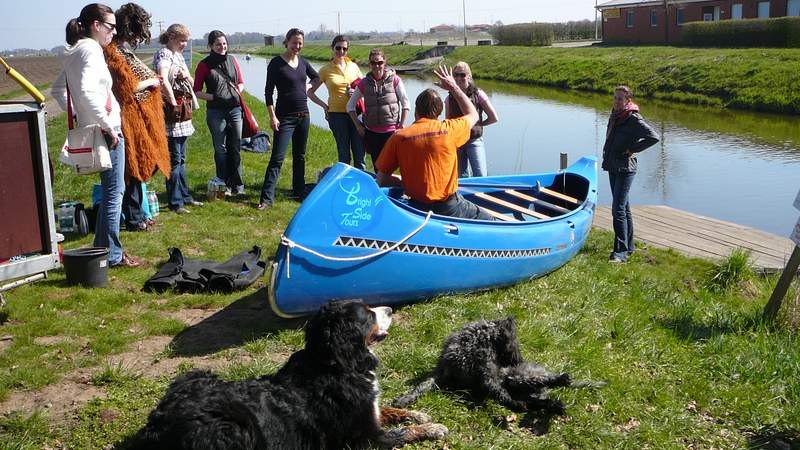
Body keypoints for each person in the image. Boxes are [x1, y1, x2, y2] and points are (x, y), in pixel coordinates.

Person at [52, 3, 140, 267]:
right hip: (107, 131)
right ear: (96, 26)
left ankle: (102, 250)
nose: (113, 32)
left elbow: (60, 90)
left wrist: (82, 116)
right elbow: (87, 92)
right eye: (111, 27)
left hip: (98, 128)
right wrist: (105, 125)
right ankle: (112, 255)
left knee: (112, 191)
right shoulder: (91, 50)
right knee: (115, 194)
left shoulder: (76, 50)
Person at [375, 65, 492, 221]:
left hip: (417, 206)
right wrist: (454, 88)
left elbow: (381, 180)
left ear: (416, 111)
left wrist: (407, 181)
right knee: (489, 219)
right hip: (449, 207)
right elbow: (473, 115)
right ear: (438, 112)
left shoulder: (399, 137)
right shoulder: (449, 130)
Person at [103, 2, 171, 231]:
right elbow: (126, 89)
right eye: (137, 32)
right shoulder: (113, 52)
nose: (138, 38)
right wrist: (152, 82)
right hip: (127, 118)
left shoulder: (122, 50)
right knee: (132, 168)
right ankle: (134, 218)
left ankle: (139, 213)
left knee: (141, 166)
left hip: (139, 117)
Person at [258, 28, 320, 209]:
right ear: (287, 42)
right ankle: (266, 199)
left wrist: (307, 86)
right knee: (277, 158)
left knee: (300, 156)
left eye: (300, 43)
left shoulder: (303, 62)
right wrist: (272, 117)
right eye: (294, 42)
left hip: (304, 116)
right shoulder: (276, 63)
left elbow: (316, 78)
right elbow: (268, 93)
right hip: (284, 118)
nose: (297, 46)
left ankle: (298, 191)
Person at [601, 85, 659, 263]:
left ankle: (620, 253)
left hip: (626, 168)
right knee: (623, 207)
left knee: (617, 209)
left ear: (628, 100)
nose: (617, 101)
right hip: (613, 165)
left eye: (620, 98)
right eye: (615, 97)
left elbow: (653, 137)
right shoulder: (616, 114)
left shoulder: (632, 117)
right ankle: (629, 246)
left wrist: (632, 149)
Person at [154, 23, 203, 214]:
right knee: (175, 160)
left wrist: (188, 78)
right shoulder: (164, 54)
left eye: (186, 40)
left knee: (181, 159)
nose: (184, 44)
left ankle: (185, 196)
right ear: (172, 38)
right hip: (172, 113)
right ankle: (176, 202)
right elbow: (163, 78)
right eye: (182, 40)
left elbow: (190, 80)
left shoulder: (178, 56)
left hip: (183, 113)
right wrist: (173, 102)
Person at [193, 30, 245, 197]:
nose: (222, 47)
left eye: (224, 44)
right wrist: (215, 97)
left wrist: (238, 91)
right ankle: (223, 182)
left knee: (235, 145)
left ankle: (237, 183)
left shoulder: (232, 60)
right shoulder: (204, 65)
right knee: (220, 148)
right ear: (210, 46)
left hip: (235, 109)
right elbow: (197, 91)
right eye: (218, 44)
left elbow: (241, 82)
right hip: (216, 111)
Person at [308, 35, 365, 170]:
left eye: (344, 48)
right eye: (338, 48)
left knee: (359, 153)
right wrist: (324, 106)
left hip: (356, 115)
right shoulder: (325, 69)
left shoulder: (354, 66)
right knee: (344, 154)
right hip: (337, 115)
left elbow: (365, 88)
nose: (341, 51)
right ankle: (344, 185)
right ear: (332, 48)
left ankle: (360, 186)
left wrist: (357, 94)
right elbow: (310, 91)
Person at [346, 48, 409, 169]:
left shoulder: (395, 80)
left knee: (392, 165)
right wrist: (358, 126)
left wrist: (401, 126)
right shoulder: (364, 83)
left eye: (380, 62)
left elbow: (406, 104)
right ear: (369, 64)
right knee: (377, 166)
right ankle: (379, 187)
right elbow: (350, 106)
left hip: (391, 132)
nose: (377, 66)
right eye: (373, 63)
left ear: (384, 62)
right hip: (372, 133)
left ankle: (391, 187)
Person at [444, 61, 499, 178]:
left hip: (474, 140)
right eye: (456, 75)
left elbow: (494, 117)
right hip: (458, 142)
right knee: (460, 177)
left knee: (480, 175)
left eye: (462, 75)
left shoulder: (478, 94)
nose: (459, 78)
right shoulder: (449, 98)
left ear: (469, 76)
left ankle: (481, 195)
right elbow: (448, 123)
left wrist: (479, 125)